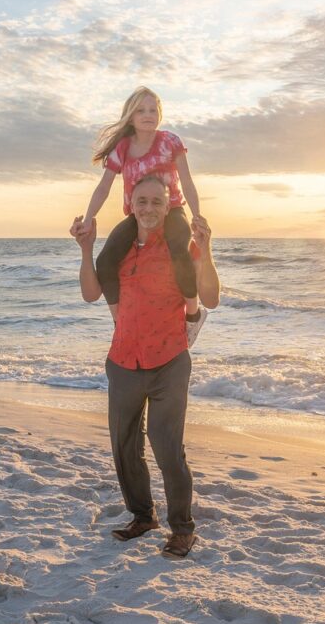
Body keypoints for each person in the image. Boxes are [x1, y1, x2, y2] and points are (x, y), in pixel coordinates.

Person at [71, 176, 220, 560]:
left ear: (168, 205)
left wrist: (207, 248)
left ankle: (182, 529)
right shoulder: (118, 253)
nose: (149, 208)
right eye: (142, 201)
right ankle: (143, 516)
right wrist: (86, 248)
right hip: (122, 361)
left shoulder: (180, 249)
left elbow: (211, 298)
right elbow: (90, 293)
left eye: (157, 201)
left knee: (167, 447)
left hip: (169, 361)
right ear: (130, 205)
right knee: (124, 447)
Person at [70, 86, 207, 344]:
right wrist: (88, 219)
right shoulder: (122, 148)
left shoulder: (170, 142)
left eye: (153, 110)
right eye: (141, 110)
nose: (148, 114)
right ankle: (118, 321)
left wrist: (197, 215)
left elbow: (187, 182)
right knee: (107, 260)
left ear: (160, 114)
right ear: (130, 117)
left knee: (179, 247)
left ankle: (193, 315)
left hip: (172, 210)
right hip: (137, 216)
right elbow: (103, 187)